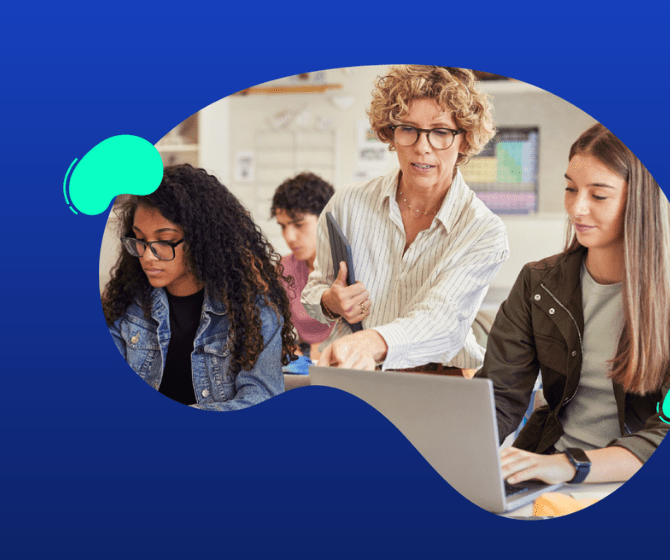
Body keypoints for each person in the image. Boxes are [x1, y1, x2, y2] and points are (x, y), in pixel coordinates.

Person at [477, 124, 670, 485]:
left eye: (598, 196)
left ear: (640, 201)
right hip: (546, 478)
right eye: (570, 189)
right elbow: (499, 398)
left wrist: (570, 465)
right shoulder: (539, 283)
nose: (576, 208)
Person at [301, 65, 509, 375]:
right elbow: (316, 290)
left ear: (464, 140)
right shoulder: (348, 203)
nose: (422, 146)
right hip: (356, 373)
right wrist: (331, 301)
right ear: (391, 133)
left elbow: (442, 321)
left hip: (438, 380)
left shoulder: (483, 230)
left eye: (440, 132)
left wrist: (374, 342)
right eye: (408, 129)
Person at [102, 164, 296, 410]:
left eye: (165, 241)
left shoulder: (254, 310)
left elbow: (260, 399)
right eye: (140, 239)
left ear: (202, 241)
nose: (148, 256)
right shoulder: (125, 304)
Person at [271, 172, 335, 353]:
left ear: (326, 219)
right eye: (283, 226)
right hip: (305, 360)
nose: (289, 237)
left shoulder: (349, 266)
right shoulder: (283, 269)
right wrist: (289, 349)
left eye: (298, 224)